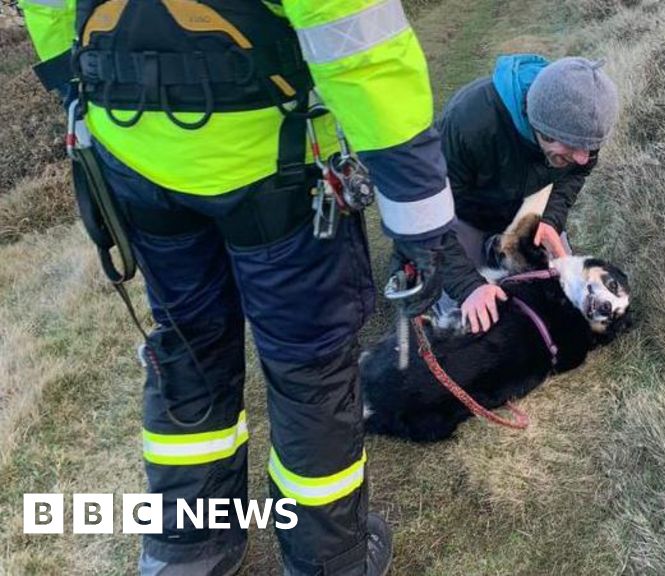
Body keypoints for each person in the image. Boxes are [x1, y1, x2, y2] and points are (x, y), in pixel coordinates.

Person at [18, 0, 453, 574]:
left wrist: (77, 96)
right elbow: (364, 56)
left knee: (187, 346)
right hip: (275, 167)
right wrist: (419, 224)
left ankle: (187, 549)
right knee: (309, 369)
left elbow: (48, 9)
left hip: (133, 156)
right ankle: (329, 558)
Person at [435, 54, 620, 334]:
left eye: (590, 149)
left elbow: (576, 173)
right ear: (541, 127)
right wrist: (468, 286)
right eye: (571, 149)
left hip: (524, 208)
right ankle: (448, 266)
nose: (584, 158)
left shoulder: (583, 135)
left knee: (566, 293)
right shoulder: (469, 124)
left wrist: (550, 220)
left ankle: (501, 251)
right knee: (466, 320)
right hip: (460, 213)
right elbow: (430, 214)